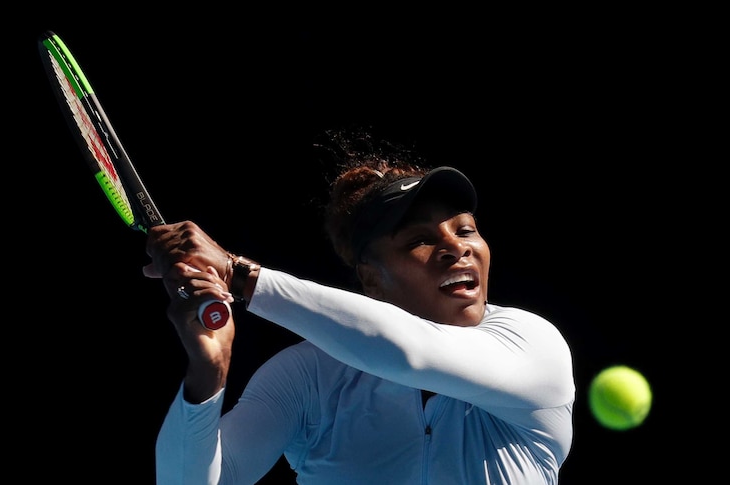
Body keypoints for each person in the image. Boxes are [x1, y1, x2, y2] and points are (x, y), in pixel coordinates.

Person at [143, 128, 575, 484]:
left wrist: (239, 274)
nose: (455, 248)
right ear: (370, 278)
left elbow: (411, 352)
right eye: (419, 240)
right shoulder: (306, 377)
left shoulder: (534, 344)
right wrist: (207, 376)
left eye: (466, 230)